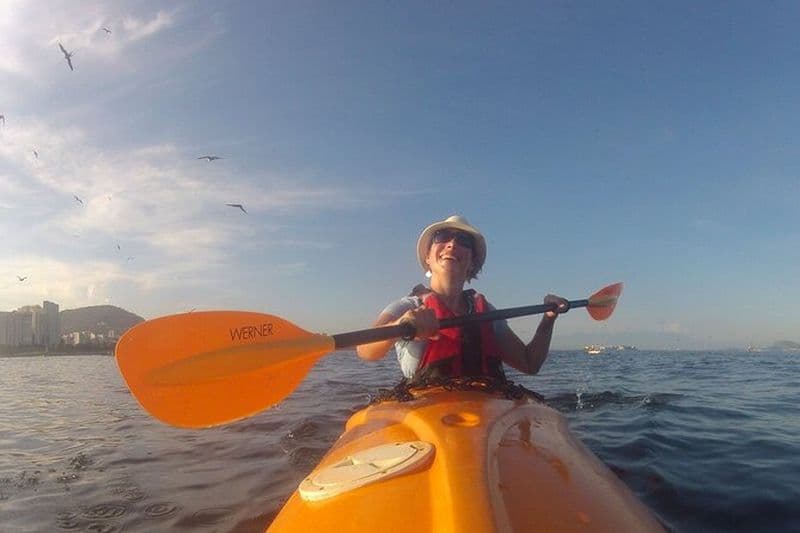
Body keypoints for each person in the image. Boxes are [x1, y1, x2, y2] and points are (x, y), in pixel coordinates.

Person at [357, 215, 569, 383]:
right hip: (428, 411)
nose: (452, 244)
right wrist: (401, 326)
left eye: (463, 241)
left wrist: (548, 319)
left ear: (472, 263)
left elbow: (530, 363)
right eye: (442, 237)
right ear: (428, 257)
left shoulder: (486, 313)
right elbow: (364, 350)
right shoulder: (408, 307)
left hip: (484, 409)